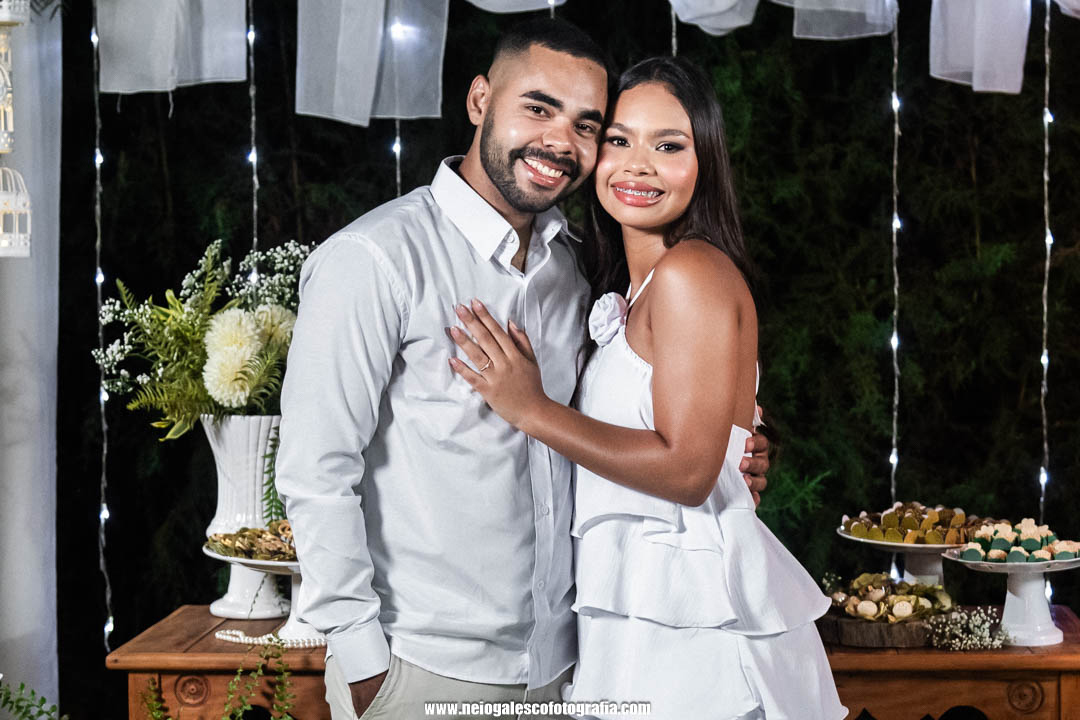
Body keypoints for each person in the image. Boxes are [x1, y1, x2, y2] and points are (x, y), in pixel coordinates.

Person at [277, 19, 770, 720]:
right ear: (480, 100)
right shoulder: (375, 260)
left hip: (568, 665)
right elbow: (315, 472)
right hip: (422, 668)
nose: (560, 142)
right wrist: (362, 662)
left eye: (586, 125)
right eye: (538, 108)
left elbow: (644, 422)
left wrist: (731, 447)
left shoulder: (577, 269)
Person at [448, 57, 846, 719]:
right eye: (619, 140)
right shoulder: (630, 286)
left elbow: (687, 472)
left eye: (669, 146)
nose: (638, 166)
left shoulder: (691, 273)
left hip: (689, 623)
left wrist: (531, 409)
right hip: (638, 610)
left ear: (704, 162)